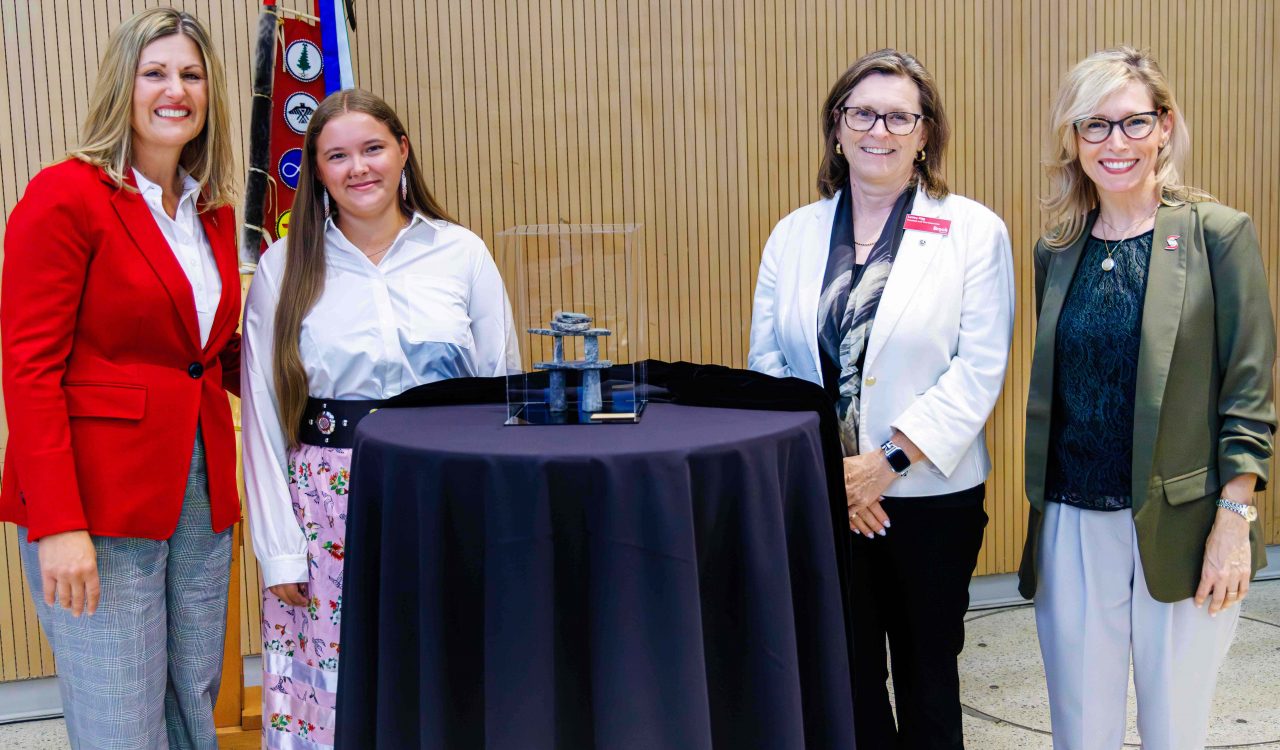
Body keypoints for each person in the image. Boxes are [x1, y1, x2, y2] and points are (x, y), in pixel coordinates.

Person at [747, 48, 1014, 749]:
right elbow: (769, 367)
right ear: (837, 127)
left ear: (926, 133)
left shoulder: (973, 231)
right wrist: (839, 476)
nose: (879, 130)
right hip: (823, 497)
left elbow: (979, 368)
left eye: (900, 116)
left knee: (928, 678)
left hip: (930, 497)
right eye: (862, 112)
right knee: (845, 678)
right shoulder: (793, 235)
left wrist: (886, 462)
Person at [241, 88, 521, 749]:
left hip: (447, 489)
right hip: (329, 504)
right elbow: (259, 413)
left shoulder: (460, 253)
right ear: (316, 169)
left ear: (402, 150)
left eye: (371, 149)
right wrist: (279, 548)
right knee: (337, 683)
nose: (357, 168)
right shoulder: (285, 267)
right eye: (336, 156)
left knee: (445, 661)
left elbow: (504, 388)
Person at [1020, 46, 1276, 750]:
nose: (1116, 143)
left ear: (1164, 126)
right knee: (1081, 731)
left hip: (1186, 524)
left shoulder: (1218, 235)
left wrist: (1234, 520)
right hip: (1073, 519)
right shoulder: (1058, 250)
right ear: (1073, 140)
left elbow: (1249, 391)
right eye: (1095, 126)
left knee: (1173, 731)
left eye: (1134, 123)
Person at [0, 8, 241, 749]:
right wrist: (59, 523)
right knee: (120, 720)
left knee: (191, 705)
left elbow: (211, 354)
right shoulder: (66, 194)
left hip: (199, 493)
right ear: (123, 85)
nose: (177, 89)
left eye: (192, 74)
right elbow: (29, 369)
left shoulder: (213, 214)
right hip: (97, 504)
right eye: (156, 72)